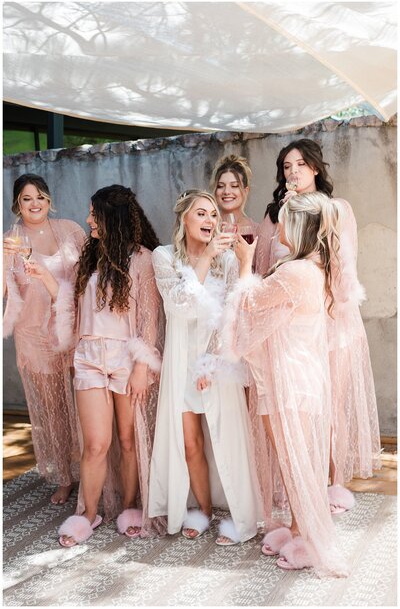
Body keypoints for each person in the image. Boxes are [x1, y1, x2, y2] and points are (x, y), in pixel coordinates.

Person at [26, 184, 164, 546]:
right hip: (88, 357)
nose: (88, 220)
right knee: (96, 444)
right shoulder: (88, 256)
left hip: (125, 358)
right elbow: (70, 302)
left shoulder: (143, 259)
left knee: (128, 440)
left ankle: (131, 506)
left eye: (94, 214)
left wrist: (141, 368)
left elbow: (149, 319)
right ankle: (87, 513)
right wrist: (43, 278)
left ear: (112, 217)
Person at [225, 192, 348, 576]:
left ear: (298, 227)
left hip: (291, 379)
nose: (276, 228)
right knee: (293, 461)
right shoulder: (310, 267)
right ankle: (297, 529)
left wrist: (244, 265)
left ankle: (311, 541)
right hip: (297, 374)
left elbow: (248, 303)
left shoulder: (296, 272)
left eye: (282, 221)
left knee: (297, 465)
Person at [255, 139, 381, 509]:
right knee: (295, 408)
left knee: (328, 404)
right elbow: (264, 269)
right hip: (290, 329)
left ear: (314, 168)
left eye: (299, 164)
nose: (292, 172)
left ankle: (330, 482)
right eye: (286, 166)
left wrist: (330, 313)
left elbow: (344, 267)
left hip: (328, 320)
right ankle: (296, 488)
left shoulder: (336, 209)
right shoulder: (273, 213)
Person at [148, 190, 263, 545]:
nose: (210, 221)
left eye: (213, 215)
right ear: (184, 218)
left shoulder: (226, 261)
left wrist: (210, 364)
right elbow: (179, 306)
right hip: (180, 358)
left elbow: (231, 315)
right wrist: (203, 260)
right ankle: (202, 510)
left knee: (225, 438)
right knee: (190, 443)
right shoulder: (163, 256)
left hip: (216, 361)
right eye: (201, 214)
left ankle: (243, 519)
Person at [3, 174, 85, 505]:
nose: (34, 203)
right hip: (34, 334)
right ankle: (63, 476)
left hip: (73, 327)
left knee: (81, 401)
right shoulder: (10, 239)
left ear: (49, 200)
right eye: (26, 198)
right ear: (16, 204)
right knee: (52, 408)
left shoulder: (70, 230)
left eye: (40, 197)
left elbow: (87, 278)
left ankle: (90, 467)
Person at [210, 154, 259, 242]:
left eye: (234, 186)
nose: (226, 191)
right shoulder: (207, 228)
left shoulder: (257, 231)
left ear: (246, 191)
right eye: (220, 186)